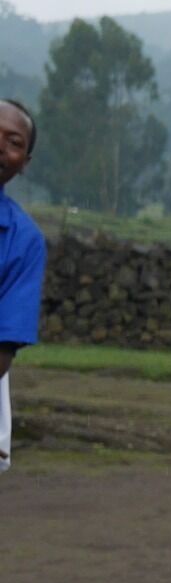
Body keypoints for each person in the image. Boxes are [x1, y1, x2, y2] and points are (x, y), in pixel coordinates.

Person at [0, 99, 46, 475]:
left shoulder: (22, 239)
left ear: (24, 164)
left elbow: (4, 345)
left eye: (13, 141)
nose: (0, 146)